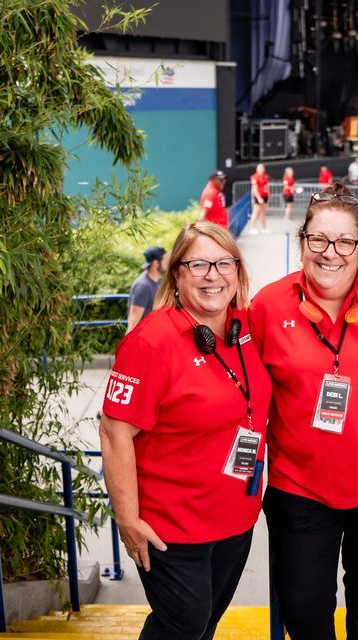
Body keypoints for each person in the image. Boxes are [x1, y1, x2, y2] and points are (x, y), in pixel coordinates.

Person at [249, 182, 358, 640]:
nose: (330, 253)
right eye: (319, 239)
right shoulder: (268, 306)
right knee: (304, 612)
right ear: (302, 243)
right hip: (299, 491)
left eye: (345, 242)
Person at [100, 222, 271, 640]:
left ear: (238, 271)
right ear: (176, 273)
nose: (212, 275)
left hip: (235, 519)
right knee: (184, 625)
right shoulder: (150, 342)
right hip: (171, 527)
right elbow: (113, 431)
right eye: (198, 264)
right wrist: (127, 519)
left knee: (205, 622)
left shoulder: (243, 328)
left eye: (223, 263)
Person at [127, 246, 168, 333]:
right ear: (156, 263)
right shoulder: (143, 286)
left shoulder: (156, 282)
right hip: (142, 340)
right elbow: (133, 321)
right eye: (165, 260)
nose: (167, 262)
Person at [249, 163, 270, 234]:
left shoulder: (265, 176)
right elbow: (254, 189)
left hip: (265, 196)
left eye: (262, 168)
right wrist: (259, 198)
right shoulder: (254, 177)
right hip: (258, 197)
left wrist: (269, 196)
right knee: (256, 212)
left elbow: (267, 186)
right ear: (257, 169)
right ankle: (252, 228)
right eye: (259, 168)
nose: (261, 169)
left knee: (263, 212)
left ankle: (264, 228)